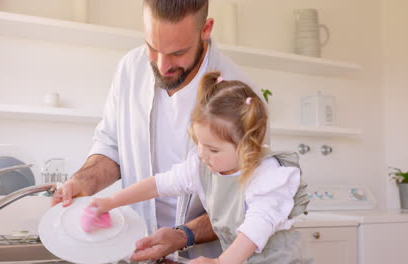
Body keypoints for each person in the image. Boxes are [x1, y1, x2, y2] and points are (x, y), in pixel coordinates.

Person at [51, 0, 267, 260]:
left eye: (178, 53)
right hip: (134, 246)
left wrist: (181, 235)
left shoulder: (242, 98)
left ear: (206, 29)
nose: (163, 66)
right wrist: (82, 183)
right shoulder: (130, 68)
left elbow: (243, 204)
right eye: (152, 48)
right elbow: (112, 147)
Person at [89, 72, 309, 264]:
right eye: (199, 143)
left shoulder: (268, 175)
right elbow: (159, 184)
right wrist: (111, 202)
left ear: (246, 146)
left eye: (213, 149)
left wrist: (221, 262)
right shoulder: (201, 164)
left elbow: (256, 228)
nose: (203, 154)